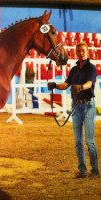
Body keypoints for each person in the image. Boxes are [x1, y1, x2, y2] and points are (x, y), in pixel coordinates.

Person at [48, 42, 99, 178]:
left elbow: (90, 83)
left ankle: (95, 170)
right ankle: (82, 170)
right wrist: (55, 85)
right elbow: (66, 84)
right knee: (78, 141)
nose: (81, 53)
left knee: (89, 141)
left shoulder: (91, 69)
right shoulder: (74, 70)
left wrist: (81, 87)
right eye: (79, 51)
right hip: (76, 106)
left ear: (87, 52)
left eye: (83, 50)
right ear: (76, 53)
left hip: (88, 105)